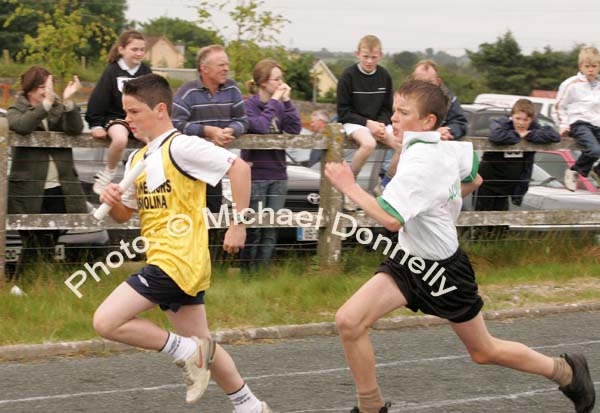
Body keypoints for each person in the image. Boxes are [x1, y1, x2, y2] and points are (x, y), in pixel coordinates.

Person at [324, 79, 595, 413]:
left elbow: (390, 220)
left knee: (484, 351)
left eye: (404, 112)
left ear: (429, 122)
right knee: (349, 321)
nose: (394, 117)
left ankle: (566, 371)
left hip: (443, 271)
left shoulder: (422, 161)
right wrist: (438, 201)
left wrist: (349, 185)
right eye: (394, 109)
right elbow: (474, 179)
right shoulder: (441, 146)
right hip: (409, 261)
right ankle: (370, 407)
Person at [93, 74, 271, 412]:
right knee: (205, 344)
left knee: (106, 321)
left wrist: (239, 224)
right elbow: (123, 214)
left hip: (178, 261)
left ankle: (188, 353)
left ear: (160, 109)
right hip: (166, 259)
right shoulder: (138, 159)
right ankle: (250, 406)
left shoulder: (182, 146)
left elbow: (241, 168)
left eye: (133, 112)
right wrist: (112, 198)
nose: (126, 119)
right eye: (125, 113)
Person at [7, 66, 87, 274]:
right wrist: (46, 104)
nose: (47, 91)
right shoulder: (15, 110)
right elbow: (23, 126)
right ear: (30, 89)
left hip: (60, 186)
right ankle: (24, 282)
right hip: (29, 189)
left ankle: (38, 282)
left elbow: (75, 129)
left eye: (48, 86)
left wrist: (69, 101)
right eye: (42, 86)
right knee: (33, 238)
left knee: (51, 236)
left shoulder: (57, 108)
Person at [239, 59, 301, 271]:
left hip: (278, 174)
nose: (281, 83)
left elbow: (294, 129)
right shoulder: (248, 106)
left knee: (271, 227)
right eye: (277, 79)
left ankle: (262, 273)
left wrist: (288, 102)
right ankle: (247, 274)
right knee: (254, 228)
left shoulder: (281, 105)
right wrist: (275, 101)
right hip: (256, 174)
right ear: (264, 82)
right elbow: (261, 127)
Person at [172, 44, 248, 214]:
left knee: (213, 216)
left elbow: (242, 120)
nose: (226, 69)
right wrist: (207, 131)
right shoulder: (187, 92)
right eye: (221, 65)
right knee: (187, 215)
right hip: (188, 168)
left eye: (227, 64)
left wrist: (231, 130)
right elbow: (175, 124)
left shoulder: (232, 88)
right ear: (204, 68)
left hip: (216, 166)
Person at [379, 59, 469, 190]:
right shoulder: (404, 97)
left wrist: (447, 131)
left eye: (429, 83)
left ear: (438, 82)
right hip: (402, 164)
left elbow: (461, 123)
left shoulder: (448, 99)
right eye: (420, 82)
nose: (395, 117)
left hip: (432, 160)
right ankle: (386, 183)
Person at [86, 29, 152, 195]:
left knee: (154, 143)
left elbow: (153, 97)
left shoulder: (145, 71)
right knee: (120, 140)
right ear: (121, 49)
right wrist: (95, 124)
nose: (139, 53)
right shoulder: (112, 72)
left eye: (142, 50)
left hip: (138, 120)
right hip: (117, 119)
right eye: (134, 49)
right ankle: (108, 173)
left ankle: (141, 178)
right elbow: (98, 98)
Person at [337, 35, 398, 209]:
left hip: (378, 123)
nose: (369, 61)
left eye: (373, 57)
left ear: (381, 55)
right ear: (358, 54)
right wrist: (368, 123)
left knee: (403, 146)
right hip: (355, 122)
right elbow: (343, 112)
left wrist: (380, 124)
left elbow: (388, 108)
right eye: (365, 56)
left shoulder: (384, 75)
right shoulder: (348, 76)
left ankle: (384, 186)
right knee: (369, 144)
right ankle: (349, 188)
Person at [475, 98, 561, 211]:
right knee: (482, 215)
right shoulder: (501, 123)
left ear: (531, 120)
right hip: (490, 177)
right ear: (512, 116)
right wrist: (518, 135)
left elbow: (555, 136)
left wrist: (529, 135)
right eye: (518, 118)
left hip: (509, 181)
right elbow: (495, 136)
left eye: (525, 120)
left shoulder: (534, 128)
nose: (521, 123)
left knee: (501, 218)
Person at [556, 47, 600, 191]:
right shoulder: (571, 84)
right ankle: (573, 171)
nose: (591, 69)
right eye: (587, 66)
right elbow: (560, 106)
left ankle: (597, 170)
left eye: (594, 66)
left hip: (596, 123)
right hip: (579, 123)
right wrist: (563, 126)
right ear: (581, 66)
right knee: (594, 150)